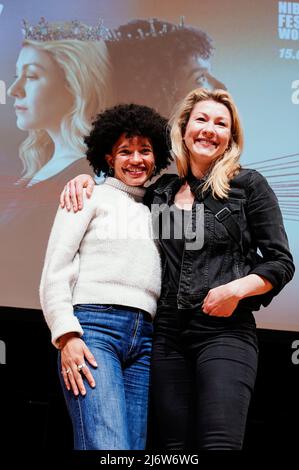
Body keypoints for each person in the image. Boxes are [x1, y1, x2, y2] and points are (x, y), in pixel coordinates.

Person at [60, 88, 294, 450]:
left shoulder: (248, 186)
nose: (209, 129)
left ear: (231, 137)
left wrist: (237, 289)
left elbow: (280, 261)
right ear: (183, 129)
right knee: (173, 451)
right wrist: (88, 180)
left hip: (225, 333)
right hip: (166, 336)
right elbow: (123, 189)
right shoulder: (162, 192)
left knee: (218, 445)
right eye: (201, 119)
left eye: (221, 124)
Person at [40, 103, 172, 450]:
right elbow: (55, 269)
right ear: (108, 158)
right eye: (124, 151)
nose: (136, 159)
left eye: (145, 150)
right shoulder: (88, 196)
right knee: (108, 447)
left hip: (144, 340)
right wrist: (67, 336)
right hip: (94, 331)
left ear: (157, 157)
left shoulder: (160, 210)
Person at [0, 19, 112, 308]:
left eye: (32, 76)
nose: (14, 90)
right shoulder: (36, 168)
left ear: (74, 84)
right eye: (16, 76)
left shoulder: (88, 176)